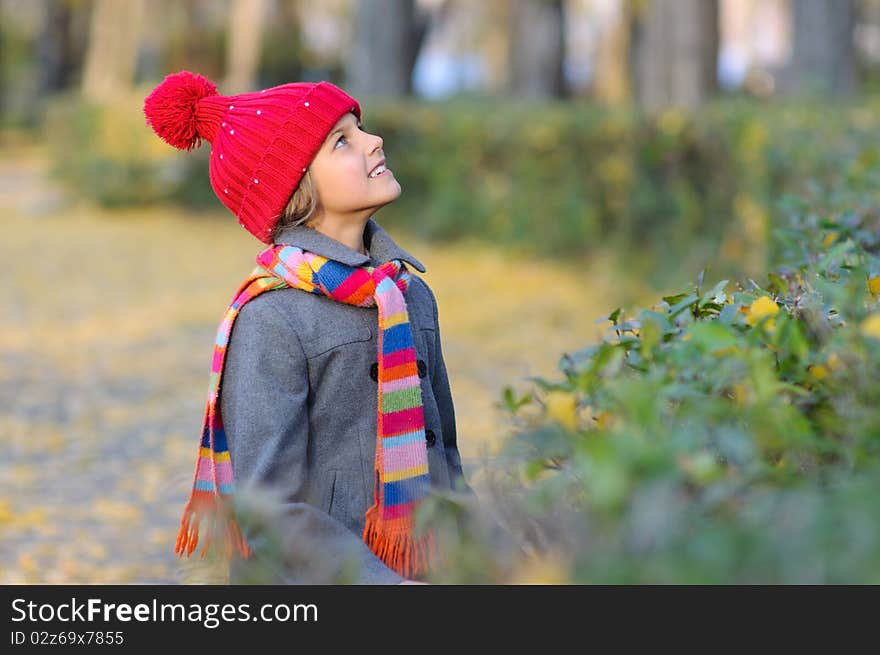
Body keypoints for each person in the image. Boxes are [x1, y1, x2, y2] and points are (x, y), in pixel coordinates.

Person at [143, 71, 473, 584]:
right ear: (296, 188)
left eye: (359, 128)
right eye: (342, 141)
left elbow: (445, 454)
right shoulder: (271, 319)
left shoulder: (410, 296)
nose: (373, 141)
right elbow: (268, 509)